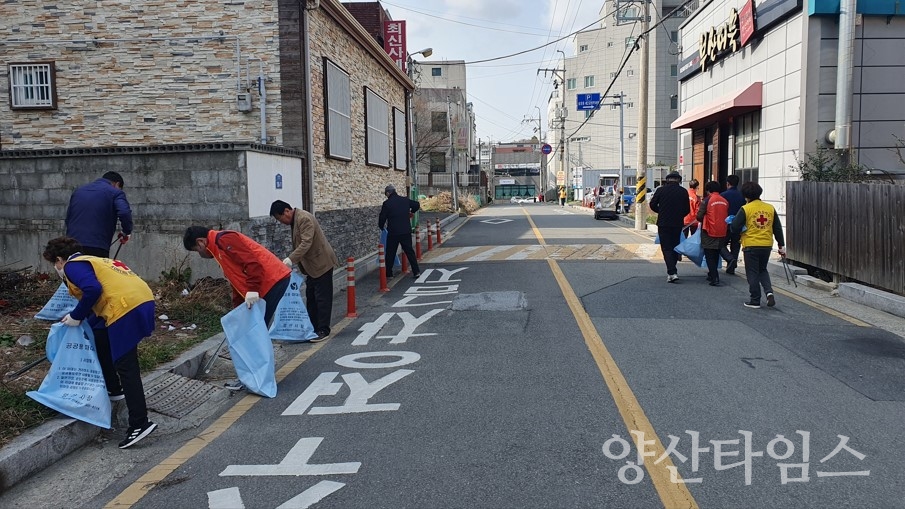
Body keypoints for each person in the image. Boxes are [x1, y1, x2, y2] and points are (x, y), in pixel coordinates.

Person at [43, 236, 157, 449]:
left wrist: (76, 316)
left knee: (127, 366)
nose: (56, 268)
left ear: (59, 259)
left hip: (125, 307)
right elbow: (99, 302)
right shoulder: (95, 260)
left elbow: (93, 290)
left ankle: (140, 423)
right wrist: (78, 319)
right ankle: (114, 389)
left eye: (54, 264)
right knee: (100, 337)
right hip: (140, 300)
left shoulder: (72, 266)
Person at [183, 226, 290, 325]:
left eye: (197, 250)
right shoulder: (217, 247)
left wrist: (253, 289)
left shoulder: (224, 240)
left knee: (257, 325)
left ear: (200, 241)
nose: (200, 254)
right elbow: (236, 279)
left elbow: (252, 264)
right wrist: (238, 308)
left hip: (272, 280)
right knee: (256, 325)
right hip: (267, 282)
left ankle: (259, 345)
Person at [270, 200, 340, 341]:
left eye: (280, 218)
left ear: (287, 211)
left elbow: (306, 242)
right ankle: (312, 328)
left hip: (321, 263)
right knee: (312, 297)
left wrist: (290, 260)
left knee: (322, 298)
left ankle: (323, 330)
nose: (281, 222)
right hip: (312, 267)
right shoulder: (295, 220)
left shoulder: (304, 218)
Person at [730, 182, 786, 308]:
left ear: (745, 195)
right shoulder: (769, 208)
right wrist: (781, 245)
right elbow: (777, 227)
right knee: (762, 270)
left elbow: (734, 227)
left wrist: (736, 226)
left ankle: (755, 300)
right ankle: (769, 292)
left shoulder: (746, 208)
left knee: (752, 272)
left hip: (750, 244)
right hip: (766, 245)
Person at [65, 171, 133, 258]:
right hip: (97, 245)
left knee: (75, 270)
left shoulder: (78, 191)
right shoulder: (115, 193)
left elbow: (68, 218)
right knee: (95, 271)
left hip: (72, 244)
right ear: (117, 184)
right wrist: (126, 231)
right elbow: (124, 212)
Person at [649, 172, 691, 283]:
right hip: (677, 223)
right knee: (674, 246)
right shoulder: (683, 191)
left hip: (663, 223)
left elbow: (652, 204)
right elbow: (687, 209)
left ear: (667, 180)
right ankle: (672, 272)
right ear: (679, 180)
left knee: (666, 248)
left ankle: (672, 272)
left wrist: (661, 212)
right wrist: (678, 215)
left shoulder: (661, 190)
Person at [378, 185, 421, 278]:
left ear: (388, 193)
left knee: (390, 253)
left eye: (386, 194)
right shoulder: (404, 200)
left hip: (393, 232)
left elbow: (382, 218)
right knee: (409, 251)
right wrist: (412, 212)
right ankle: (416, 271)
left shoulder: (387, 203)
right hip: (406, 231)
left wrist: (381, 227)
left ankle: (389, 273)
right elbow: (417, 204)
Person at [696, 181, 730, 286]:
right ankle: (712, 274)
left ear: (708, 190)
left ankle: (714, 277)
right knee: (716, 253)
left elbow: (699, 216)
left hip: (709, 230)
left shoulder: (707, 200)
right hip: (722, 231)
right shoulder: (725, 201)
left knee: (709, 255)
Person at [720, 174, 745, 275]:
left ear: (727, 183)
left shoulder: (723, 195)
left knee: (720, 244)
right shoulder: (742, 196)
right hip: (739, 224)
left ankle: (729, 259)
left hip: (725, 224)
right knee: (735, 245)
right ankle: (732, 266)